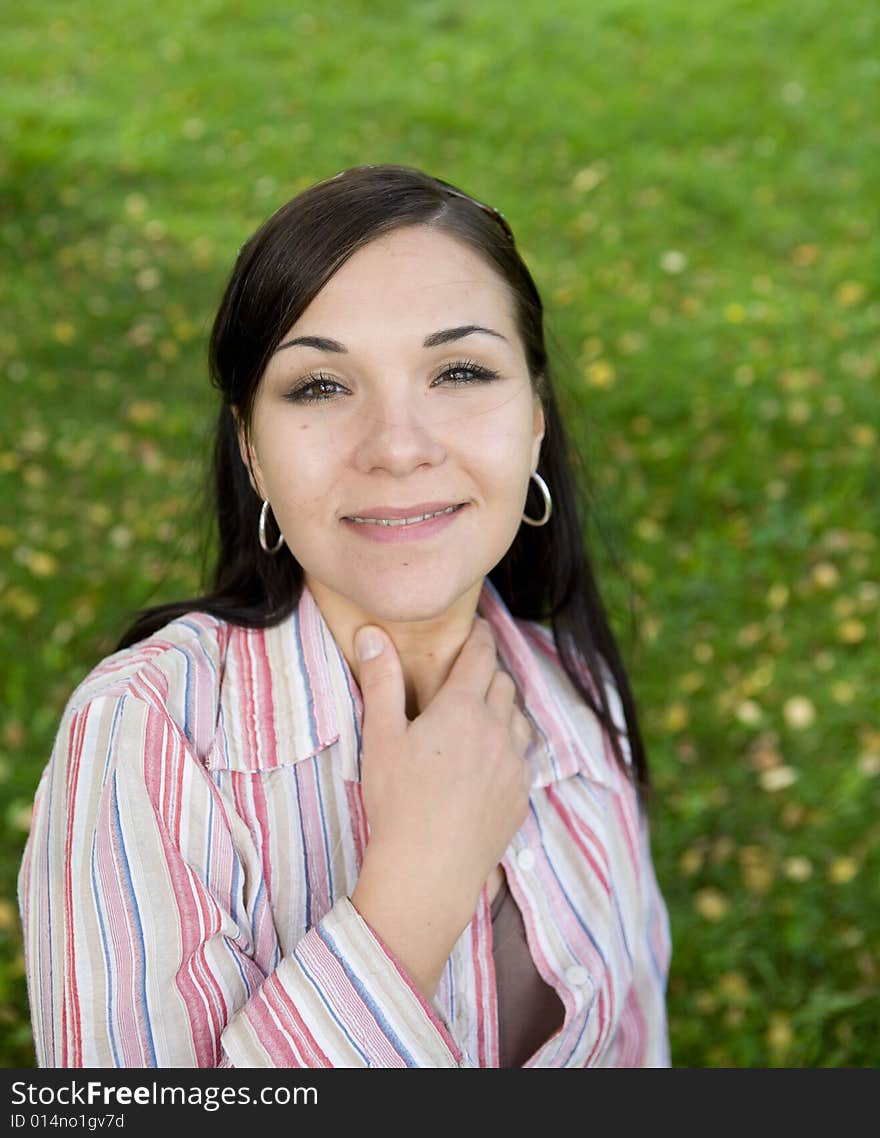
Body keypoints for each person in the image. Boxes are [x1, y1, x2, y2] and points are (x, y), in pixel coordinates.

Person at [18, 164, 671, 1068]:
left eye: (462, 371)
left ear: (533, 422)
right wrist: (420, 888)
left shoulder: (579, 695)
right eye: (321, 386)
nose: (399, 448)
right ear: (251, 447)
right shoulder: (148, 733)